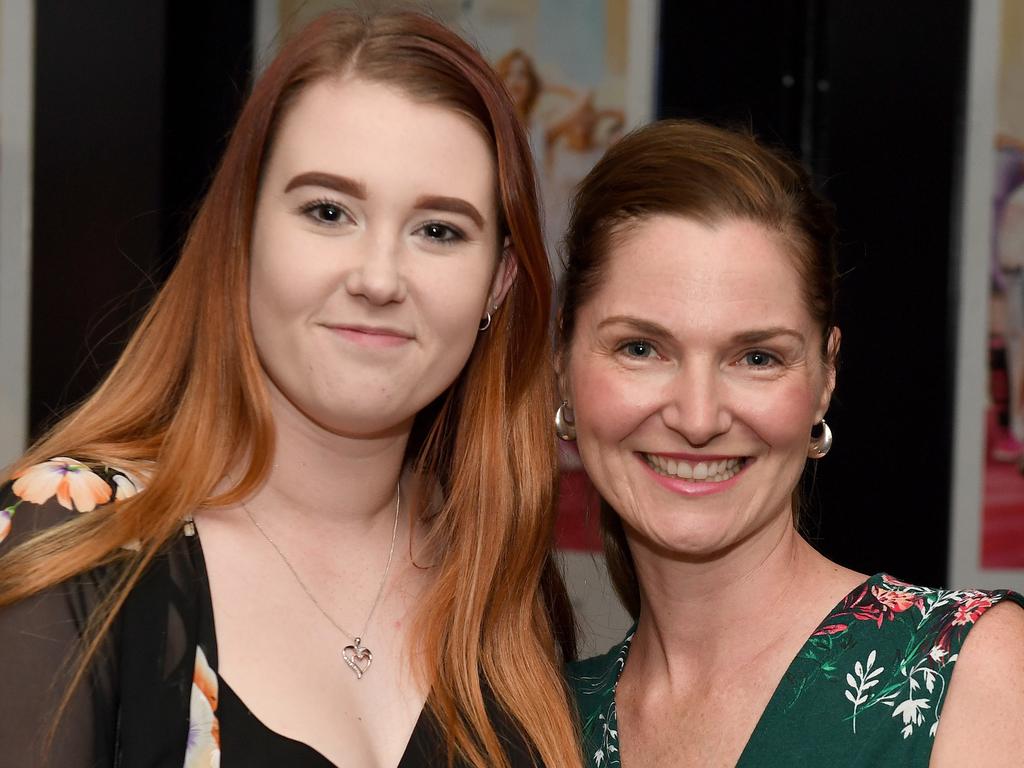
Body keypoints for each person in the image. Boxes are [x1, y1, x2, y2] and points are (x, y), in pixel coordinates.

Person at [0, 10, 583, 768]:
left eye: (438, 230)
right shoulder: (72, 541)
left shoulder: (501, 584)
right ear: (241, 235)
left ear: (499, 283)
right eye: (328, 212)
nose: (378, 279)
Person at [558, 120, 1024, 767]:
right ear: (563, 364)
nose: (698, 417)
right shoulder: (539, 725)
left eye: (756, 357)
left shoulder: (970, 674)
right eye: (641, 348)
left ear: (826, 377)